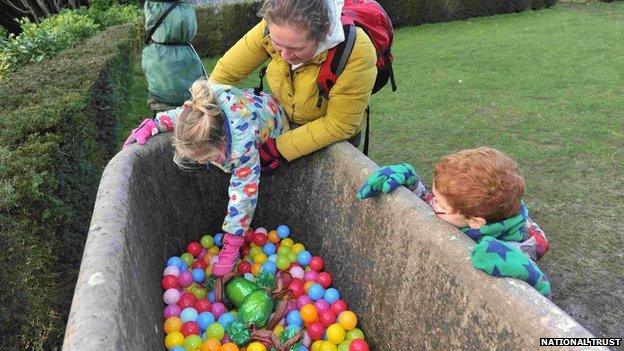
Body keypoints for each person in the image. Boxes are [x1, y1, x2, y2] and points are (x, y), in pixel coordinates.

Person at [123, 79, 289, 276]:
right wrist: (154, 124)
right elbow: (179, 117)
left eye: (206, 158)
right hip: (250, 107)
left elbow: (244, 197)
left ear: (222, 143)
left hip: (276, 123)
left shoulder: (242, 147)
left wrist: (232, 247)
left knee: (261, 165)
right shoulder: (201, 115)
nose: (202, 163)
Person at [357, 147, 551, 296]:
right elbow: (429, 201)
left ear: (475, 222)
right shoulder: (471, 211)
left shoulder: (519, 246)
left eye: (439, 203)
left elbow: (543, 301)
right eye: (433, 194)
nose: (431, 202)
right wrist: (411, 183)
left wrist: (528, 273)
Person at [208, 0, 377, 171]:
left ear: (324, 32)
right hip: (286, 123)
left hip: (332, 137)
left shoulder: (356, 51)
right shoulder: (273, 26)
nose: (284, 56)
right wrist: (204, 111)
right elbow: (224, 73)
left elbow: (339, 125)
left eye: (295, 48)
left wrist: (277, 148)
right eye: (277, 45)